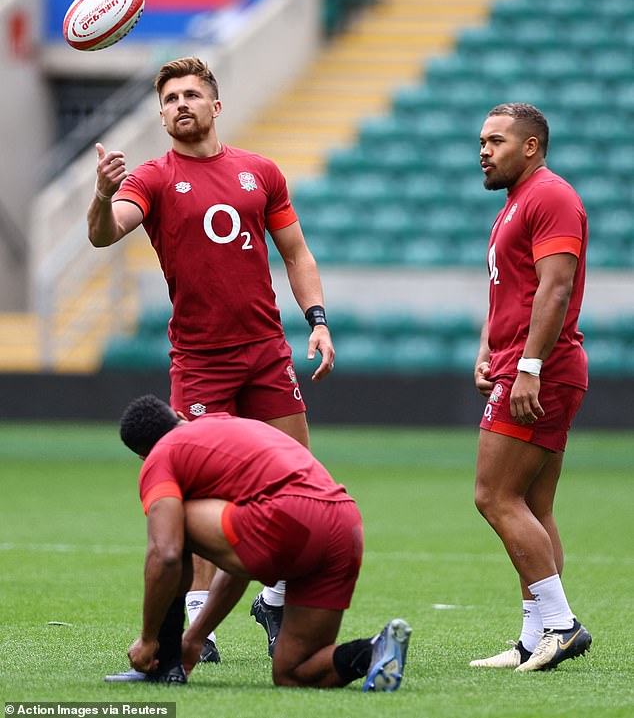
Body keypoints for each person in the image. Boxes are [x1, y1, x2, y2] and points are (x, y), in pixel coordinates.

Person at [87, 56, 335, 661]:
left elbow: (296, 254)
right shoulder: (152, 178)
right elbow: (104, 233)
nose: (180, 105)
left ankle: (272, 601)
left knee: (298, 482)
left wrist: (318, 321)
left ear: (215, 106)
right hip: (200, 362)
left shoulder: (259, 172)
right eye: (169, 98)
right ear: (161, 113)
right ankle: (201, 618)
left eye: (191, 95)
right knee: (199, 491)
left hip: (267, 352)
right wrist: (99, 196)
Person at [103, 394, 411, 691]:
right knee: (293, 671)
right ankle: (374, 651)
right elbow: (240, 563)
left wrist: (148, 638)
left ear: (143, 456)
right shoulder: (227, 425)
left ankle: (164, 663)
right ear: (181, 416)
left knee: (171, 522)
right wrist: (195, 638)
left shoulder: (160, 456)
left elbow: (167, 553)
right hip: (344, 523)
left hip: (289, 518)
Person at [469, 103, 592, 672]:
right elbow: (513, 290)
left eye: (495, 141)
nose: (484, 150)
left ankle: (562, 624)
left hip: (541, 369)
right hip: (524, 363)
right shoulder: (517, 202)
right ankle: (534, 635)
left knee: (493, 496)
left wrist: (529, 368)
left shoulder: (550, 196)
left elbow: (556, 288)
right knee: (533, 503)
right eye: (482, 141)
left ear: (531, 146)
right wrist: (489, 351)